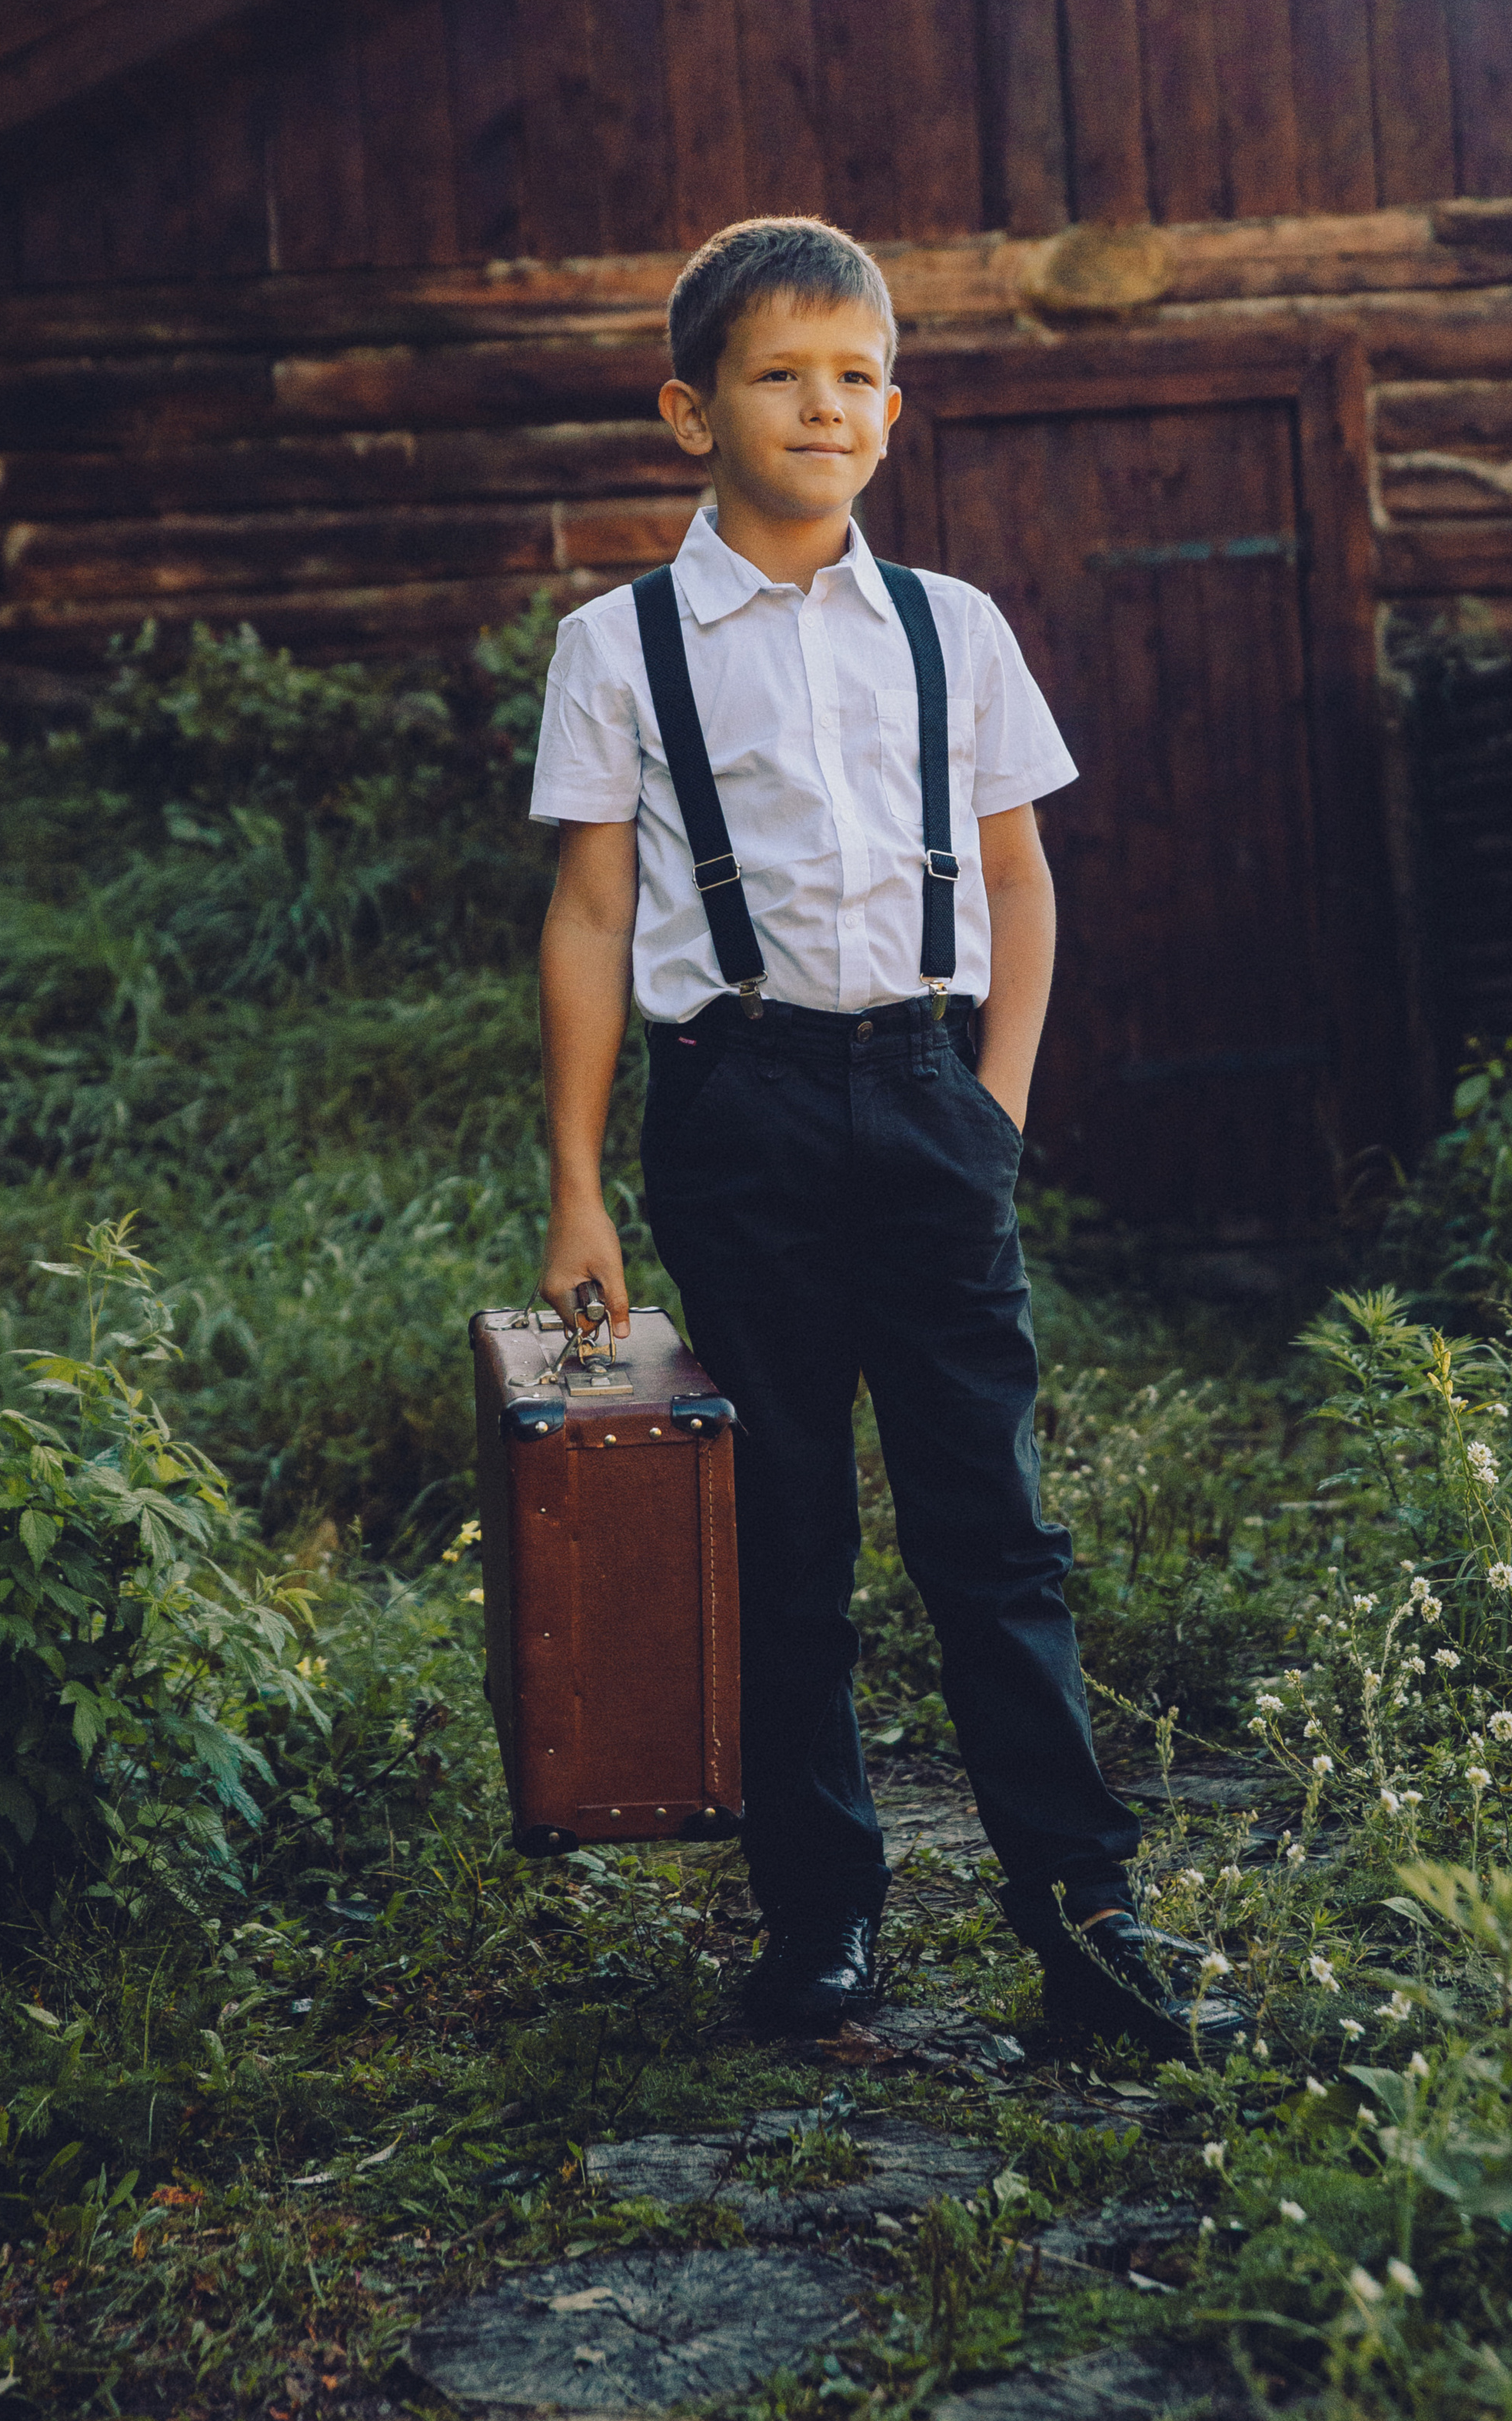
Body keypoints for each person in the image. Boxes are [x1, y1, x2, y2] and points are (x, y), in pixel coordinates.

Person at [529, 215, 1246, 2060]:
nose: (822, 405)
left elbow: (1017, 878)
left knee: (991, 1533)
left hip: (927, 1101)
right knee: (779, 1534)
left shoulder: (956, 626)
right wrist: (578, 1190)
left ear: (894, 405)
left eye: (854, 376)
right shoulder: (618, 647)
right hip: (739, 1113)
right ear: (689, 409)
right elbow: (595, 921)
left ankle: (1085, 1936)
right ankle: (822, 1922)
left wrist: (991, 1106)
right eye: (780, 374)